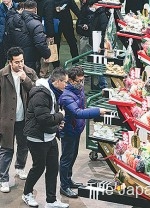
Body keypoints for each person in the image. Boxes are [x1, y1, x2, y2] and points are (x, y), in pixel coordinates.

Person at [59, 66, 109, 198]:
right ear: (70, 80)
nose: (81, 83)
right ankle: (64, 186)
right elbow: (77, 112)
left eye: (82, 80)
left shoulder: (78, 90)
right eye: (78, 81)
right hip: (69, 131)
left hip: (76, 129)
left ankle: (68, 180)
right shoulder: (66, 96)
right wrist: (97, 111)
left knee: (72, 156)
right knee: (66, 159)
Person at [22, 67, 69, 208]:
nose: (66, 85)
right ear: (57, 81)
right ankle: (27, 193)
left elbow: (49, 118)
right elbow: (44, 119)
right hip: (37, 138)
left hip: (49, 136)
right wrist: (60, 116)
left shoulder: (52, 92)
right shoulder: (40, 94)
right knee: (38, 168)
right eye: (65, 82)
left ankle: (51, 201)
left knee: (53, 168)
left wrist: (56, 126)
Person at [0, 47, 38, 193]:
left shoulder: (29, 73)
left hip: (24, 118)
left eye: (22, 61)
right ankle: (3, 179)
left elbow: (36, 92)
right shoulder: (2, 75)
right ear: (10, 62)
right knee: (6, 149)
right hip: (7, 120)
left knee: (23, 145)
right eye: (17, 62)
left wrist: (25, 80)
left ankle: (20, 167)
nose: (20, 64)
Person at [5, 0, 51, 76]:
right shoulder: (36, 24)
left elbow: (7, 38)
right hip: (31, 58)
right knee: (30, 82)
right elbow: (40, 43)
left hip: (15, 58)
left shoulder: (11, 20)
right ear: (35, 9)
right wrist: (47, 54)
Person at [76, 0, 108, 90]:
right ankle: (101, 83)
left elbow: (104, 31)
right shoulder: (99, 14)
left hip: (98, 43)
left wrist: (101, 46)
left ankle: (103, 84)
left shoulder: (101, 15)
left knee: (99, 63)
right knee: (97, 61)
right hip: (94, 40)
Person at [54, 0, 80, 67]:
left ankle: (76, 62)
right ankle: (56, 63)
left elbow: (75, 9)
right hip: (55, 23)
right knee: (56, 44)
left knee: (72, 42)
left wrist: (83, 20)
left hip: (67, 23)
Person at [0, 0, 18, 68]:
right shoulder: (0, 8)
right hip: (3, 38)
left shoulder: (17, 7)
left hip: (15, 38)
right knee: (1, 61)